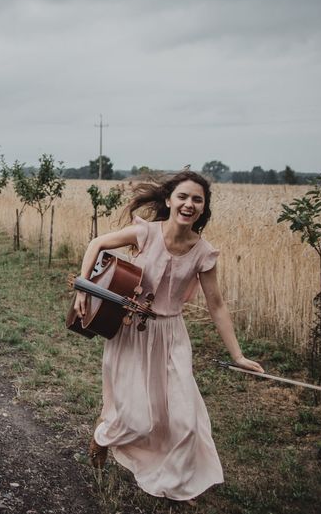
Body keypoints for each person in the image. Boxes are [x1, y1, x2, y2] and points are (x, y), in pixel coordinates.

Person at [73, 170, 263, 502]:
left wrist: (238, 356)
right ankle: (103, 437)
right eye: (183, 197)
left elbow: (216, 304)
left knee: (185, 418)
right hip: (131, 332)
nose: (189, 204)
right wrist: (83, 289)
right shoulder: (146, 232)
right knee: (135, 415)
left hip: (172, 337)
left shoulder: (204, 252)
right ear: (169, 200)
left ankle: (177, 483)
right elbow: (98, 243)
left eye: (197, 200)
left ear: (203, 208)